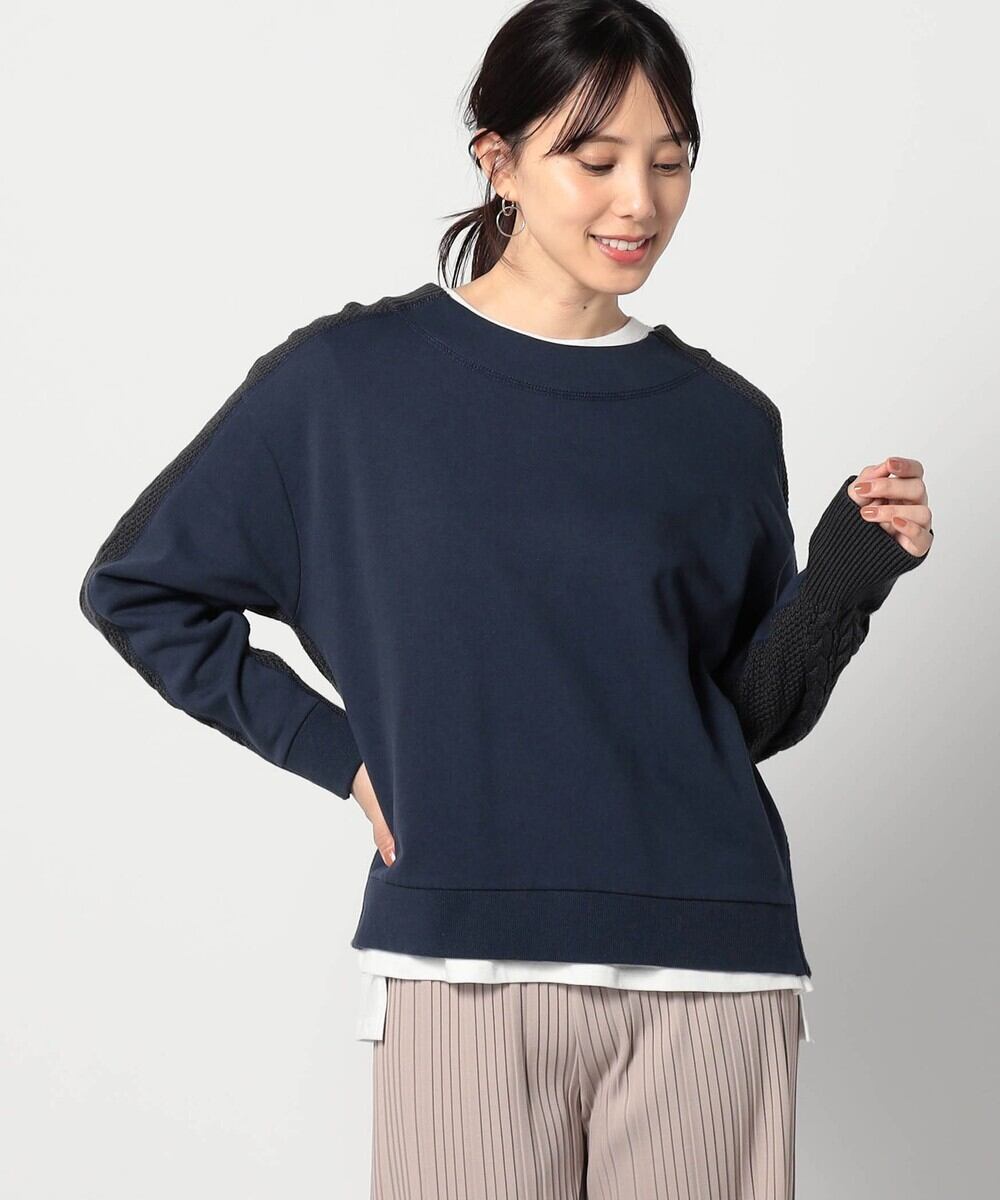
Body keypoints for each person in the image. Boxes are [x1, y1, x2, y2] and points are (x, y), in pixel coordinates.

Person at [78, 1, 934, 1196]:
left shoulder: (725, 423)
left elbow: (739, 722)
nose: (639, 202)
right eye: (595, 159)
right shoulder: (347, 386)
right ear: (500, 159)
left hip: (714, 969)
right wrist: (342, 756)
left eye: (670, 161)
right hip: (459, 964)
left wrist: (845, 574)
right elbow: (139, 588)